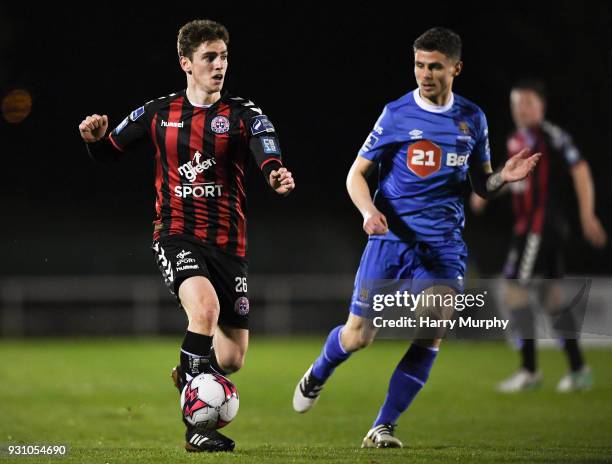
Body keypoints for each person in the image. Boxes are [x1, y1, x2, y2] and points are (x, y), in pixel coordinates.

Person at [292, 27, 539, 448]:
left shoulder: (472, 118)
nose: (425, 74)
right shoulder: (396, 114)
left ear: (456, 68)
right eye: (420, 65)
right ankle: (319, 370)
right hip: (390, 241)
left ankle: (382, 426)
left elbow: (481, 185)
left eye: (435, 66)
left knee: (433, 324)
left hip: (443, 246)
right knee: (358, 337)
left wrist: (503, 178)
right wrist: (369, 211)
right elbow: (355, 175)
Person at [78, 19, 295, 452]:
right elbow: (108, 153)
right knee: (205, 308)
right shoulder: (159, 113)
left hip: (229, 245)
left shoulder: (243, 115)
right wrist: (95, 140)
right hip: (175, 233)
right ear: (186, 63)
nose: (220, 65)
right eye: (210, 57)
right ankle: (196, 429)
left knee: (231, 358)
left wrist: (275, 175)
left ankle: (190, 368)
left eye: (224, 57)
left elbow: (266, 151)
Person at [470, 79, 606, 393]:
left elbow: (581, 170)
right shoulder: (517, 138)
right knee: (551, 299)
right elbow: (518, 179)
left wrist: (587, 214)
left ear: (541, 106)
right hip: (533, 227)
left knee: (513, 290)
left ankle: (529, 370)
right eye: (516, 103)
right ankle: (579, 370)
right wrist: (489, 190)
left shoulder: (551, 136)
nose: (521, 108)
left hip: (541, 226)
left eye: (528, 102)